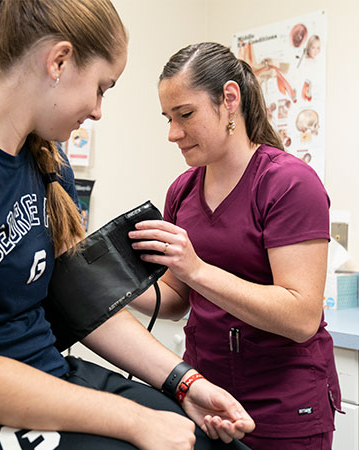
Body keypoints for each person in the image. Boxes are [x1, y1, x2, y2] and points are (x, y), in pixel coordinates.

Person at [0, 3, 254, 449]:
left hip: (51, 376)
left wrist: (185, 383)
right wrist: (134, 420)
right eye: (101, 88)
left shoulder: (50, 164)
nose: (97, 111)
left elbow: (82, 307)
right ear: (59, 61)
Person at [129, 42, 342, 450]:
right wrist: (109, 285)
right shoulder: (184, 190)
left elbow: (300, 317)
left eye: (186, 115)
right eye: (168, 118)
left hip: (283, 405)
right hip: (205, 393)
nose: (173, 133)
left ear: (230, 99)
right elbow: (175, 300)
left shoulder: (289, 184)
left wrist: (197, 269)